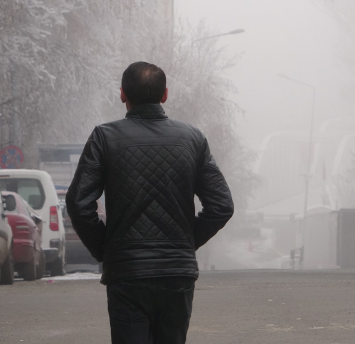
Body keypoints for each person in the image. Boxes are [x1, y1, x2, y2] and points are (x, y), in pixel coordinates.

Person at [66, 61, 234, 344]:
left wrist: (107, 249)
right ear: (165, 95)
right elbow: (221, 205)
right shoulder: (192, 139)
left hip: (127, 271)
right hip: (176, 272)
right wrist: (183, 243)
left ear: (122, 94)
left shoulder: (104, 138)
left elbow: (79, 203)